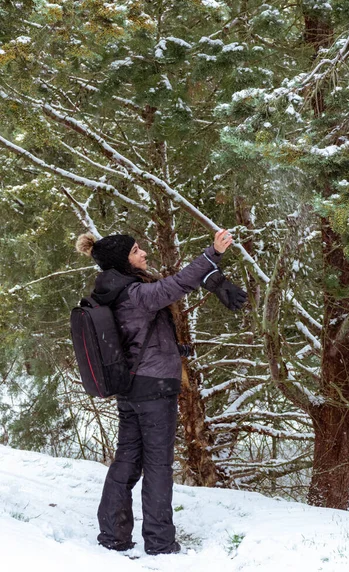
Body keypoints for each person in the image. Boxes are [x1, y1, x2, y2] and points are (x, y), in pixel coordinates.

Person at [75, 229, 246, 556]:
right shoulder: (135, 293)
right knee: (157, 465)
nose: (144, 254)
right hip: (154, 390)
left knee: (127, 460)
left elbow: (138, 336)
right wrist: (213, 252)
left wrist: (175, 347)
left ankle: (113, 535)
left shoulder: (111, 291)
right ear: (124, 260)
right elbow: (176, 284)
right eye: (137, 251)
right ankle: (160, 543)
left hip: (130, 387)